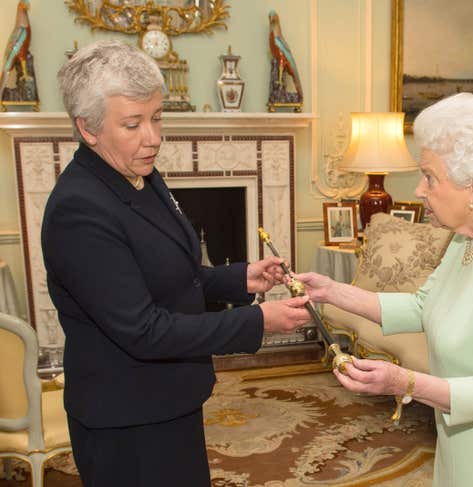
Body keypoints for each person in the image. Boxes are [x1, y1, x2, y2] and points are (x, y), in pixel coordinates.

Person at [42, 40, 310, 487]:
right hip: (127, 419)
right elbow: (144, 330)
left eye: (157, 117)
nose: (153, 137)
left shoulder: (137, 173)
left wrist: (239, 277)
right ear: (88, 129)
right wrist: (257, 321)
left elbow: (172, 274)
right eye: (133, 124)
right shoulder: (79, 211)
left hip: (167, 401)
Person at [296, 93, 473, 487]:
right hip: (462, 432)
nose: (420, 189)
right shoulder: (469, 235)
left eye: (430, 176)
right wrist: (331, 291)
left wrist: (402, 382)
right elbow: (424, 305)